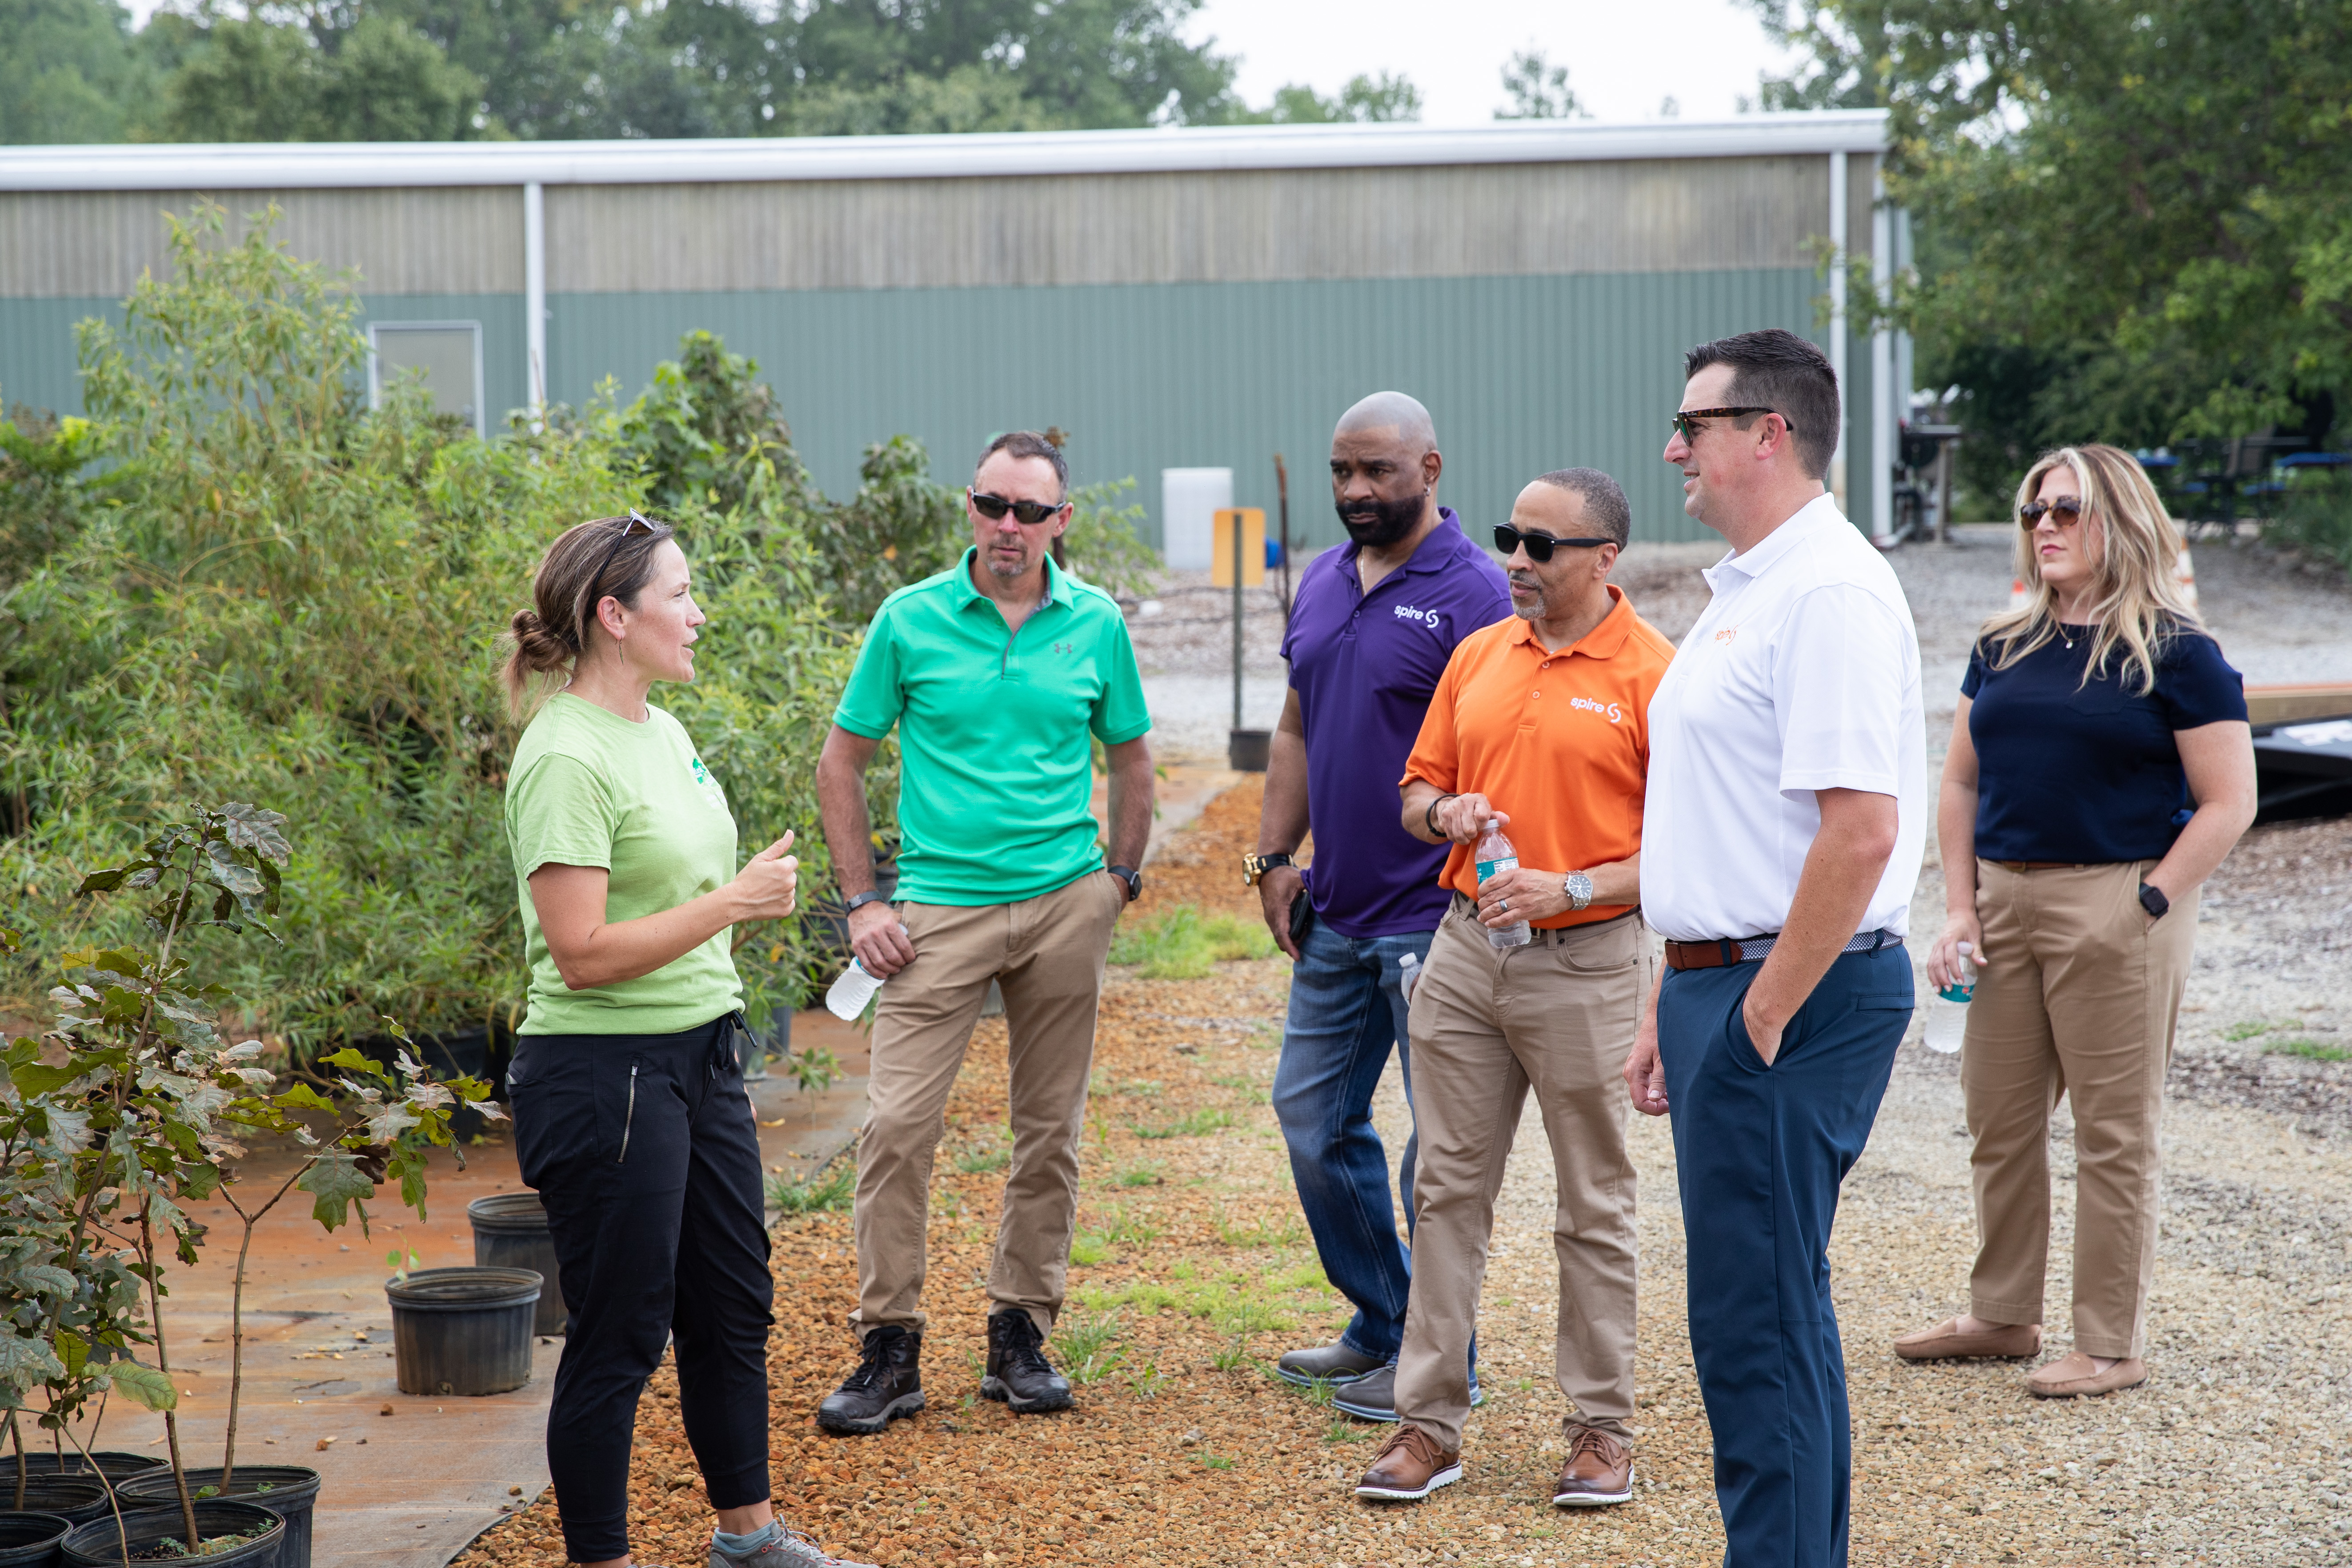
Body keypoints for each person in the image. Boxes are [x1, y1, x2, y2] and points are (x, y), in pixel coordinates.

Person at [501, 512, 869, 1568]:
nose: (699, 614)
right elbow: (580, 952)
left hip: (700, 1055)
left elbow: (678, 886)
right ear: (614, 617)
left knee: (732, 1303)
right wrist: (736, 903)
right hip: (604, 1073)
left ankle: (747, 1542)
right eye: (681, 595)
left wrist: (733, 898)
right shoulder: (563, 755)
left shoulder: (659, 729)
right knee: (621, 1333)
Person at [1623, 329, 1927, 1568]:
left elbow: (1857, 834)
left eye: (1692, 425)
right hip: (1729, 981)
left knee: (1754, 1324)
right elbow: (1726, 823)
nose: (1671, 446)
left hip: (1785, 991)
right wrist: (1674, 992)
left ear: (1769, 433)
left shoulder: (1829, 592)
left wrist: (1756, 1012)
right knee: (1765, 1311)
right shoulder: (1752, 590)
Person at [1894, 444, 2255, 1396]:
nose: (2045, 525)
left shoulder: (2179, 652)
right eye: (2034, 511)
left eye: (2067, 510)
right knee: (1999, 1121)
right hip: (2003, 900)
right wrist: (1960, 908)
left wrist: (2146, 902)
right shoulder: (2003, 644)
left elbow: (2229, 802)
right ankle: (2004, 1312)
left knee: (2113, 1134)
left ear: (2121, 520)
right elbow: (1962, 779)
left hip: (2121, 898)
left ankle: (2109, 1343)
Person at [812, 431, 1154, 1435]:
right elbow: (843, 763)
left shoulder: (1094, 625)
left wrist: (1117, 883)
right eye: (991, 505)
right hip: (936, 912)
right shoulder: (910, 619)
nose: (1008, 528)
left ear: (1062, 522)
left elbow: (1132, 759)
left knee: (1048, 1131)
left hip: (1063, 904)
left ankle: (1020, 1333)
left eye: (1029, 512)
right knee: (895, 1129)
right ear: (970, 507)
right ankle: (891, 1347)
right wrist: (864, 902)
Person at [1352, 468, 1673, 1508]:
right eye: (1510, 539)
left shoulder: (1656, 674)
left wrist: (1570, 882)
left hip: (1589, 964)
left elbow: (1687, 850)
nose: (1518, 562)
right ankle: (1428, 1425)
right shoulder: (1479, 653)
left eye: (1543, 545)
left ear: (1605, 558)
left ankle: (1599, 1431)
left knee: (1594, 1202)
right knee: (1445, 1189)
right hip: (1463, 956)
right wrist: (1444, 817)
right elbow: (1413, 791)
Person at [1251, 391, 1511, 1410]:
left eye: (1379, 473)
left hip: (1434, 917)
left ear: (1432, 469)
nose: (1357, 491)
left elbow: (1503, 752)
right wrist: (1273, 855)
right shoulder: (1321, 578)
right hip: (1336, 912)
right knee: (1313, 1117)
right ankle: (1384, 1320)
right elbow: (1296, 728)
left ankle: (1445, 1363)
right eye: (1342, 472)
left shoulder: (1477, 592)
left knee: (1436, 1152)